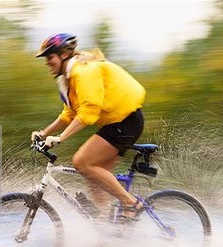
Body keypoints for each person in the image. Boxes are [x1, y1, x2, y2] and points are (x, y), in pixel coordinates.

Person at [32, 33, 146, 221]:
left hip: (126, 122)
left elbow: (88, 113)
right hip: (117, 123)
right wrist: (44, 133)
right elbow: (69, 113)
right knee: (95, 179)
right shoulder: (68, 76)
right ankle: (108, 227)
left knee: (82, 162)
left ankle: (131, 204)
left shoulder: (83, 72)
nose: (47, 62)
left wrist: (60, 138)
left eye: (49, 57)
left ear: (63, 55)